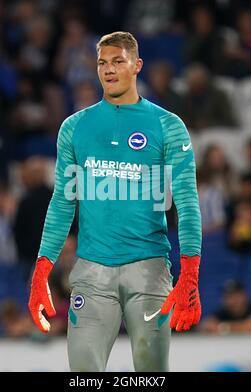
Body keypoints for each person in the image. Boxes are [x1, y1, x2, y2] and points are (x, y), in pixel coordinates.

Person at [28, 31, 202, 372]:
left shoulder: (168, 126)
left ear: (136, 65)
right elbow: (63, 203)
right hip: (92, 273)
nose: (109, 70)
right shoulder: (74, 127)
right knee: (83, 375)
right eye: (102, 63)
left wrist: (190, 275)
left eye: (118, 61)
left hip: (149, 271)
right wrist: (41, 271)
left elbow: (187, 201)